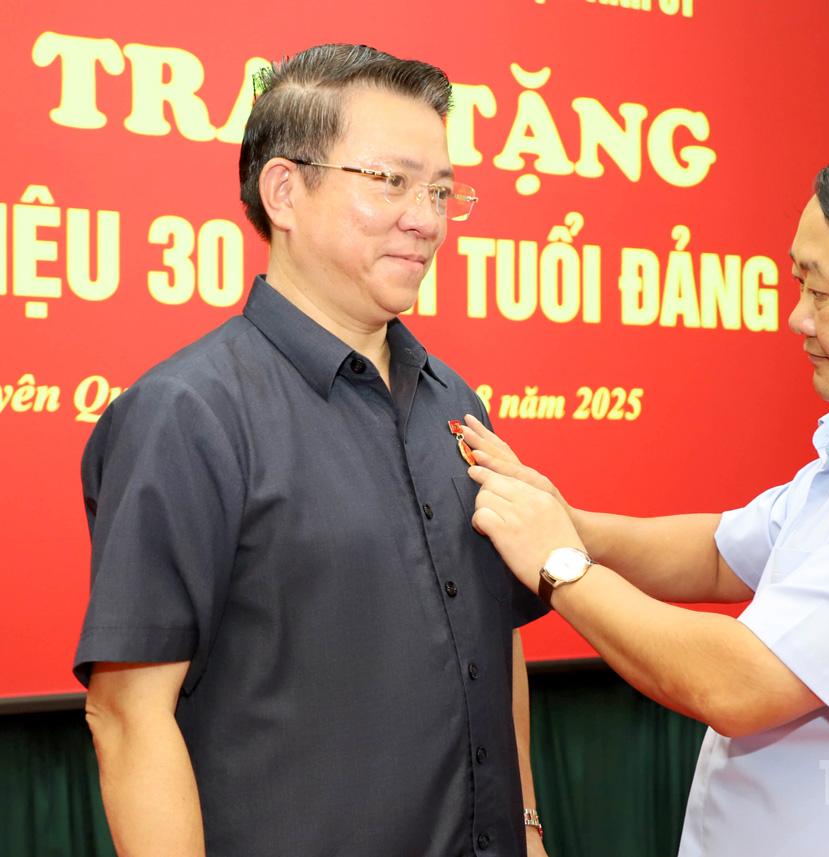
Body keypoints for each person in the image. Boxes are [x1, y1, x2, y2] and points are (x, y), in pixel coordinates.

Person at [460, 131, 829, 856]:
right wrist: (562, 520)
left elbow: (742, 683)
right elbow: (721, 553)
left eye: (821, 291)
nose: (798, 318)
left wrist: (559, 563)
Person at [74, 44, 548, 857]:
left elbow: (494, 641)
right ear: (285, 191)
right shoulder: (187, 414)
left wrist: (529, 830)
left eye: (441, 190)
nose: (426, 219)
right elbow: (126, 715)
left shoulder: (456, 405)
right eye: (392, 181)